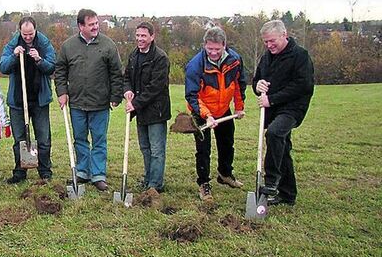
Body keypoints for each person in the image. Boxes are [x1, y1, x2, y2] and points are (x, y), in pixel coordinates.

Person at [54, 9, 123, 191]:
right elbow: (60, 70)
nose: (95, 27)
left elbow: (117, 73)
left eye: (96, 23)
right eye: (91, 24)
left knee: (99, 139)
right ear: (80, 26)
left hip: (100, 103)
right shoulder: (68, 46)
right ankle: (83, 172)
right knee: (80, 139)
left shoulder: (108, 45)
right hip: (76, 102)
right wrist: (62, 91)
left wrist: (116, 96)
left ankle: (98, 175)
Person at [254, 19, 314, 206]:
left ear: (284, 35)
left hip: (293, 108)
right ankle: (288, 195)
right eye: (266, 42)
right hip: (273, 110)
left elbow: (302, 85)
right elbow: (257, 80)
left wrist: (271, 99)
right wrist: (257, 85)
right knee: (282, 147)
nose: (269, 45)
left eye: (273, 41)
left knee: (274, 133)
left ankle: (271, 181)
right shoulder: (266, 57)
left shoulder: (300, 56)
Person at [185, 26, 246, 201]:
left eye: (217, 49)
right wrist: (207, 115)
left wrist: (239, 107)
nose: (213, 52)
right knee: (203, 149)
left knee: (227, 143)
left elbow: (239, 84)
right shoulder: (195, 65)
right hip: (201, 111)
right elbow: (192, 96)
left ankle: (225, 174)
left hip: (223, 108)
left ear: (224, 45)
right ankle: (204, 183)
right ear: (204, 45)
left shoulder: (234, 60)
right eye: (209, 48)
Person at [0, 16, 56, 183]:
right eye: (25, 34)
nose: (28, 37)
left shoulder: (44, 44)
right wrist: (14, 56)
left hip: (39, 99)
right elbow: (3, 66)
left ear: (35, 30)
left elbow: (52, 66)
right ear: (20, 32)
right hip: (18, 100)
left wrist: (39, 59)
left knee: (43, 138)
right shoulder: (13, 44)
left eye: (30, 34)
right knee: (19, 139)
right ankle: (20, 172)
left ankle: (44, 171)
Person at [123, 22, 171, 193]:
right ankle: (149, 178)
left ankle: (155, 184)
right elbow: (127, 76)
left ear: (152, 37)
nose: (139, 39)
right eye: (137, 35)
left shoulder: (160, 58)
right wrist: (127, 90)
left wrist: (134, 104)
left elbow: (155, 87)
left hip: (156, 110)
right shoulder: (133, 56)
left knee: (157, 149)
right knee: (145, 148)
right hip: (141, 111)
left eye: (143, 36)